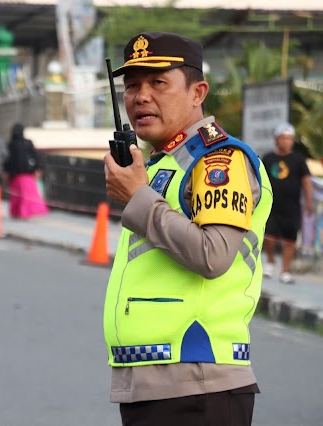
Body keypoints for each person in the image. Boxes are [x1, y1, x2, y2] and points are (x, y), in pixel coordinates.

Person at [102, 32, 273, 425]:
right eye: (131, 86)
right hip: (157, 381)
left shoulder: (220, 160)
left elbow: (213, 255)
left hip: (198, 382)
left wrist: (138, 199)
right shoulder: (164, 163)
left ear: (198, 92)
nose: (140, 96)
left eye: (158, 83)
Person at [262, 122, 314, 284]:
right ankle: (270, 261)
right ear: (277, 140)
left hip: (291, 207)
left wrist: (309, 201)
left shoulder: (298, 160)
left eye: (290, 138)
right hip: (270, 205)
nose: (287, 141)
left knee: (290, 240)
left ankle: (285, 271)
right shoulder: (268, 158)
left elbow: (306, 180)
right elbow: (260, 178)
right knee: (267, 236)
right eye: (283, 138)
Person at [4, 123, 49, 219]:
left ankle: (16, 213)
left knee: (16, 196)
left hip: (15, 176)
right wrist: (38, 169)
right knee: (28, 196)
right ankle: (25, 213)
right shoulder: (28, 143)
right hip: (28, 175)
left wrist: (6, 172)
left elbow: (8, 160)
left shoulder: (11, 144)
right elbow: (36, 157)